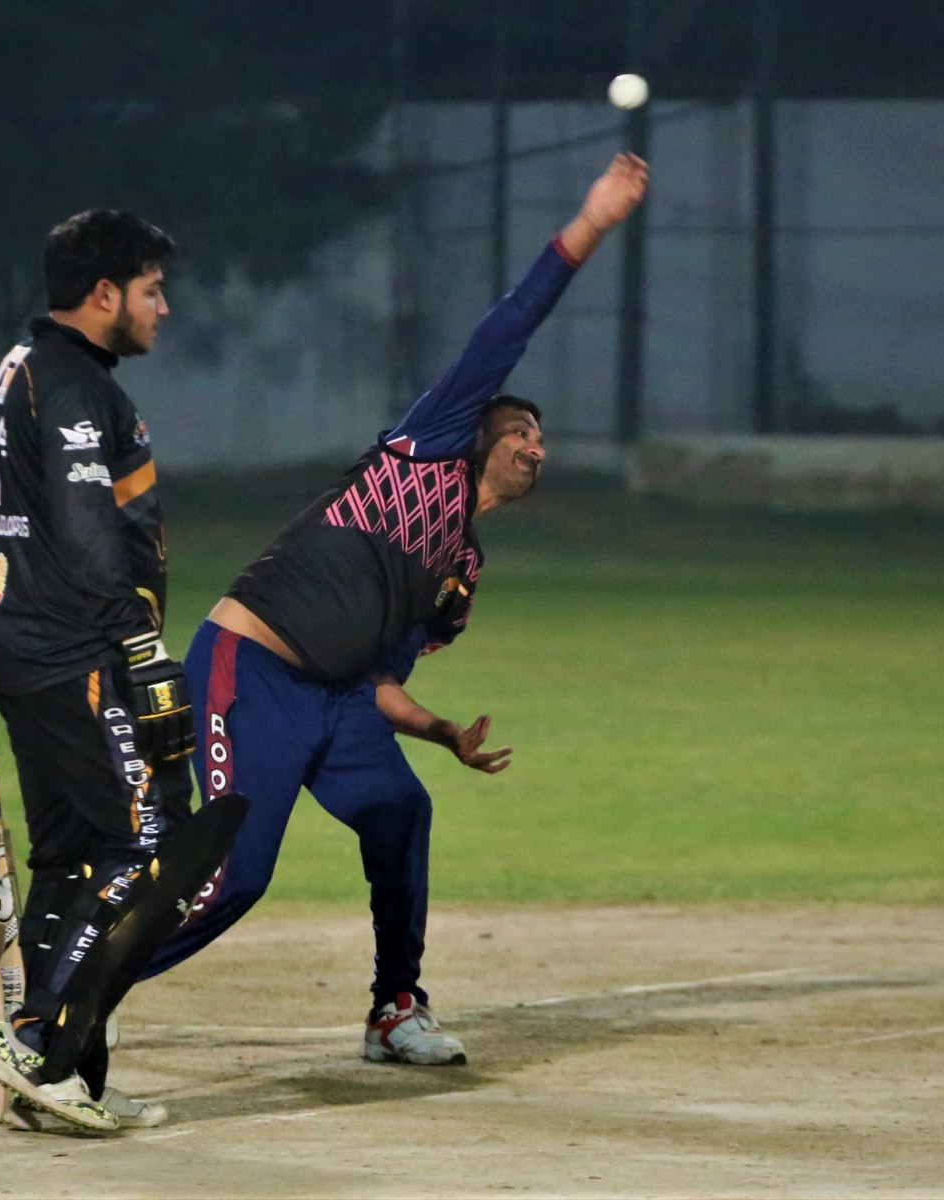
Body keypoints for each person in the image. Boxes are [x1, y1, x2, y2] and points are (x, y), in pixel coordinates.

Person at [136, 153, 649, 1064]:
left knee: (401, 812)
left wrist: (442, 732)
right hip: (251, 668)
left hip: (337, 698)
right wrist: (594, 223)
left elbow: (377, 682)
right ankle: (66, 999)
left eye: (542, 437)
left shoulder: (460, 573)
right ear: (478, 431)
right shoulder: (427, 446)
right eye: (521, 428)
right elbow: (512, 322)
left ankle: (394, 1007)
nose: (536, 444)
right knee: (235, 877)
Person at [0, 210, 243, 1133]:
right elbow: (83, 529)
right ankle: (38, 1040)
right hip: (78, 657)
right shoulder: (71, 385)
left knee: (71, 857)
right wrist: (138, 647)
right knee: (148, 848)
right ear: (104, 294)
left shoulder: (21, 367)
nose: (163, 307)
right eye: (151, 289)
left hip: (27, 651)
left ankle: (67, 1082)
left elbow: (8, 528)